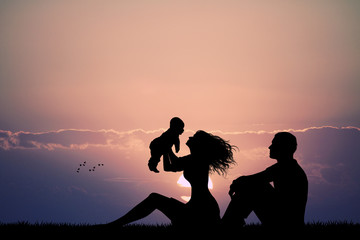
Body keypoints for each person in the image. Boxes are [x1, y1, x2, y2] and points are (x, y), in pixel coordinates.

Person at [109, 130, 237, 228]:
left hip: (202, 210)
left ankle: (114, 225)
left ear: (198, 144)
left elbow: (174, 163)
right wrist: (166, 150)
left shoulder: (196, 158)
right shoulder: (192, 158)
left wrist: (167, 147)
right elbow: (169, 167)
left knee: (154, 199)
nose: (189, 138)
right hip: (197, 208)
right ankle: (115, 225)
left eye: (193, 138)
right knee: (155, 199)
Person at [222, 132, 308, 229]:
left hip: (287, 224)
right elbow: (256, 178)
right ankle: (230, 223)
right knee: (254, 185)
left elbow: (255, 179)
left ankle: (227, 224)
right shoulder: (286, 167)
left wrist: (238, 183)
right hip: (286, 220)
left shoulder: (287, 168)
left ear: (285, 147)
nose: (270, 147)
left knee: (255, 186)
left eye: (275, 144)